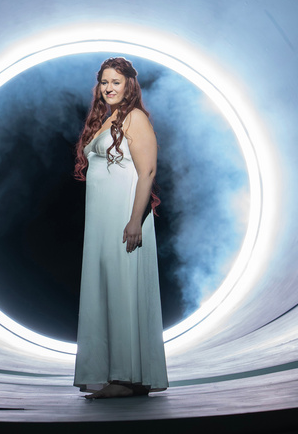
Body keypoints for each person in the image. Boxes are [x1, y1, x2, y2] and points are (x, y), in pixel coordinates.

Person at [73, 56, 169, 398]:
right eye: (104, 82)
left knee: (123, 289)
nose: (109, 88)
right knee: (106, 290)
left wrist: (134, 220)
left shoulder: (135, 118)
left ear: (129, 84)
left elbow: (148, 172)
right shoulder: (106, 118)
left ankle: (127, 377)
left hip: (124, 219)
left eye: (116, 82)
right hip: (101, 222)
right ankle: (113, 372)